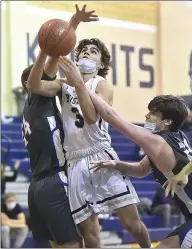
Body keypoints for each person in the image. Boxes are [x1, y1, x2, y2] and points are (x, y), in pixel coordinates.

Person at [56, 61, 192, 248]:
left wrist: (79, 85)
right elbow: (141, 169)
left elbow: (111, 117)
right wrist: (116, 164)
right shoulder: (176, 138)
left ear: (167, 121)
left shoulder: (157, 142)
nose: (146, 116)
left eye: (153, 114)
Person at [27, 40, 152, 247]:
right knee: (90, 235)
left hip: (101, 155)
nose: (87, 53)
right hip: (75, 162)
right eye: (83, 51)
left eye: (93, 52)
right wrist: (45, 51)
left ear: (101, 64)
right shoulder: (63, 84)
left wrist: (78, 83)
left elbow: (92, 117)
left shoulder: (102, 85)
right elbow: (33, 86)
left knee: (132, 225)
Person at [20, 5, 98, 248]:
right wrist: (72, 24)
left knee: (57, 245)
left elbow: (56, 52)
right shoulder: (39, 97)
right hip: (54, 180)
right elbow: (55, 54)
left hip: (37, 186)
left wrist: (73, 24)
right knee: (74, 244)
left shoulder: (29, 109)